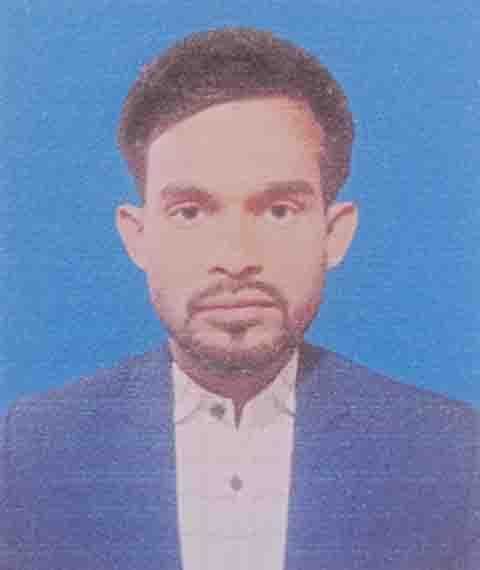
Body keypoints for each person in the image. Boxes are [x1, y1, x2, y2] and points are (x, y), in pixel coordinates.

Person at [1, 27, 478, 570]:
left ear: (334, 232)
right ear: (138, 236)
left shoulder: (452, 453)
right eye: (190, 212)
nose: (235, 257)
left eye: (278, 211)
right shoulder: (30, 451)